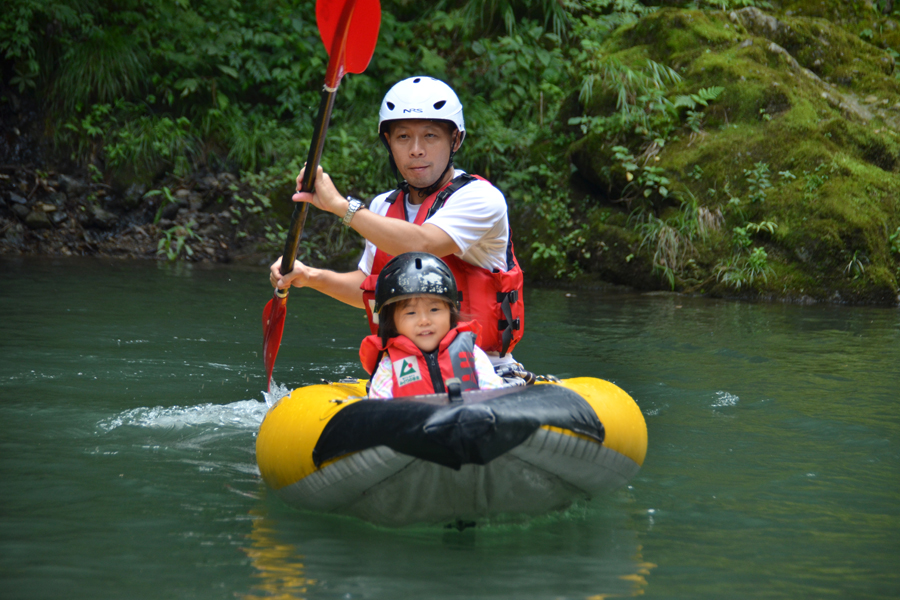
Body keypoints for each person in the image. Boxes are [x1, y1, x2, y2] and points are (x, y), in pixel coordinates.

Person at [269, 75, 525, 370]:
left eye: (430, 136)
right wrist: (310, 277)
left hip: (481, 369)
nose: (416, 149)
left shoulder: (480, 198)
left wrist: (341, 207)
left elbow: (423, 243)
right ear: (389, 142)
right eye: (403, 137)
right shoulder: (383, 206)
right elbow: (372, 289)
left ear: (455, 140)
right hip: (403, 371)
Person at [359, 252, 507, 399]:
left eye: (434, 309)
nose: (424, 320)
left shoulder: (473, 354)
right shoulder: (388, 366)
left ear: (451, 314)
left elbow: (495, 398)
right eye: (411, 313)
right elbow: (379, 413)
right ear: (392, 322)